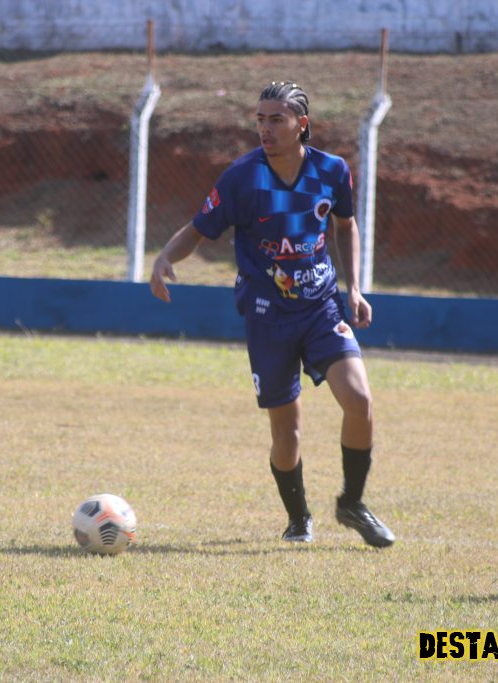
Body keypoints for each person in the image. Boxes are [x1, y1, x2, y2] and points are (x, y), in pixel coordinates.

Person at [149, 81, 395, 548]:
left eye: (276, 119)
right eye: (260, 120)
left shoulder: (332, 170)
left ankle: (352, 503)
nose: (265, 128)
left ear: (302, 124)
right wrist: (165, 257)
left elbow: (345, 225)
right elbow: (199, 229)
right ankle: (298, 518)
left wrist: (355, 287)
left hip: (321, 306)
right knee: (288, 433)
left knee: (360, 400)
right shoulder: (242, 178)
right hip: (267, 317)